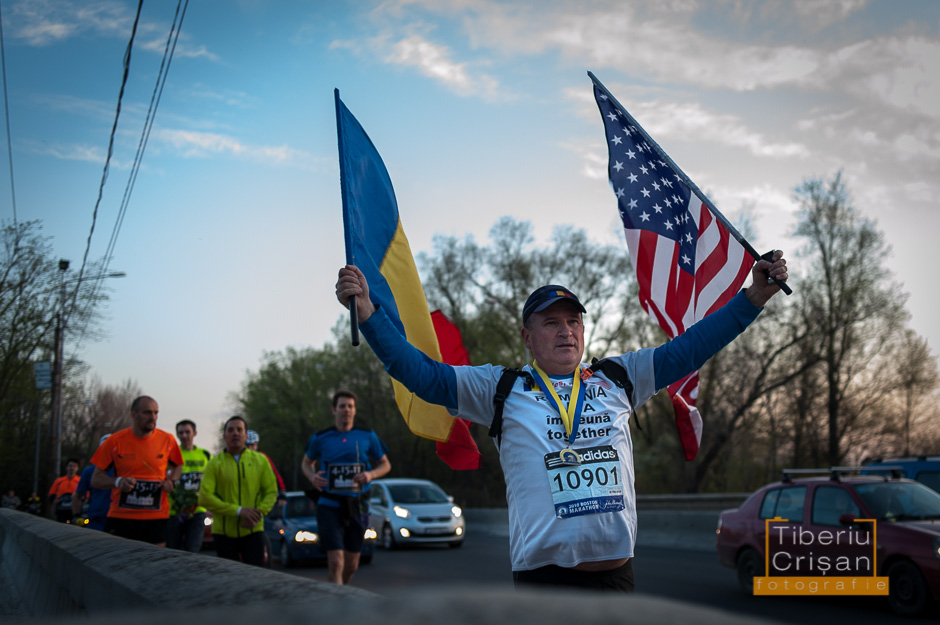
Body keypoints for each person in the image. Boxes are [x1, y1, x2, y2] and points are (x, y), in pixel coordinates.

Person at [335, 251, 788, 592]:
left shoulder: (620, 377)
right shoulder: (500, 389)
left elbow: (693, 347)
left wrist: (754, 298)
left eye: (573, 321)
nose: (566, 330)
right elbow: (421, 375)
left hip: (616, 576)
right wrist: (370, 317)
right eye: (551, 323)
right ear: (527, 337)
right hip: (543, 581)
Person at [301, 390, 391, 585]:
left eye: (350, 406)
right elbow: (306, 463)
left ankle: (340, 592)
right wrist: (313, 477)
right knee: (335, 563)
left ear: (355, 410)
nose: (346, 410)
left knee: (351, 566)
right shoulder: (321, 437)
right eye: (342, 406)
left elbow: (385, 464)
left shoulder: (367, 435)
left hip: (358, 505)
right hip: (329, 504)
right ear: (334, 410)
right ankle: (336, 605)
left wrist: (370, 474)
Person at [90, 396, 183, 546]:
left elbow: (178, 466)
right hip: (122, 517)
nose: (153, 417)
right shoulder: (114, 441)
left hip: (155, 517)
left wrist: (171, 481)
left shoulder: (167, 440)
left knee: (155, 564)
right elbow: (96, 479)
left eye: (156, 413)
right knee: (118, 564)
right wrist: (118, 481)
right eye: (147, 413)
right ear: (133, 414)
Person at [199, 416, 277, 567]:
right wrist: (238, 511)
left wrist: (258, 513)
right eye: (230, 430)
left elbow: (271, 491)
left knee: (256, 577)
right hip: (223, 534)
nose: (235, 433)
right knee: (230, 580)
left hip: (253, 530)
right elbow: (204, 498)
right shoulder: (214, 464)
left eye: (239, 430)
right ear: (224, 436)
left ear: (246, 435)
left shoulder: (260, 460)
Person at [167, 419, 211, 552]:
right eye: (181, 433)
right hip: (175, 511)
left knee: (193, 550)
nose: (184, 436)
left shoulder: (204, 455)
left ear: (195, 433)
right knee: (172, 550)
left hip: (197, 511)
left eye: (187, 432)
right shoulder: (171, 454)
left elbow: (212, 479)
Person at [72, 434, 114, 530]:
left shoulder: (124, 471)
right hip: (94, 520)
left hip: (118, 520)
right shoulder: (89, 472)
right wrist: (77, 516)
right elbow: (78, 496)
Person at [48, 458, 81, 523]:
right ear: (66, 467)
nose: (72, 468)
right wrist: (54, 500)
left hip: (75, 510)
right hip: (61, 509)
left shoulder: (80, 481)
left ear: (77, 468)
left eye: (74, 466)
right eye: (70, 466)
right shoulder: (59, 481)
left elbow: (87, 495)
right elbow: (52, 494)